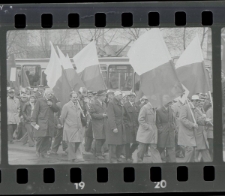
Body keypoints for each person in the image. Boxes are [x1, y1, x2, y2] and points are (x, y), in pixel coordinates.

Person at [179, 95, 211, 162]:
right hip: (186, 133)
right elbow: (182, 119)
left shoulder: (195, 109)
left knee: (192, 151)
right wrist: (192, 124)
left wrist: (205, 122)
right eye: (197, 101)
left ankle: (191, 166)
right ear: (192, 100)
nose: (198, 102)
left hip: (192, 133)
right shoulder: (185, 107)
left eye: (199, 101)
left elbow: (197, 120)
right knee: (190, 149)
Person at [31, 89, 59, 158]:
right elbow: (35, 111)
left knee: (48, 138)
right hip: (41, 123)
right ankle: (38, 151)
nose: (50, 95)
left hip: (50, 123)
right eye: (49, 94)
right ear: (45, 94)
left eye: (51, 94)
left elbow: (57, 109)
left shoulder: (53, 101)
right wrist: (33, 121)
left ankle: (44, 152)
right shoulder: (39, 101)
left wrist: (52, 104)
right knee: (40, 137)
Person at [60, 91, 84, 162]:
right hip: (70, 127)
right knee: (72, 143)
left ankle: (69, 152)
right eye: (73, 97)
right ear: (70, 98)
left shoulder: (78, 105)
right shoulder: (66, 106)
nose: (75, 98)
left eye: (76, 97)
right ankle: (72, 158)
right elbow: (62, 117)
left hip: (78, 127)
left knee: (78, 142)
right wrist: (64, 125)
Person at [156, 95, 176, 163]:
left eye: (168, 100)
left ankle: (172, 162)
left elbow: (173, 120)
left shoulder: (171, 109)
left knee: (171, 147)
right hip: (163, 132)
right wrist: (161, 130)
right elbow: (157, 122)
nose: (168, 101)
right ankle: (157, 160)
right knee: (161, 147)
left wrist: (173, 126)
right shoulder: (158, 110)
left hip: (170, 131)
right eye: (166, 99)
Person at [106, 90, 125, 163]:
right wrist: (113, 127)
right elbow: (111, 116)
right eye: (120, 95)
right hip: (115, 126)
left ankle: (117, 156)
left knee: (120, 142)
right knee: (113, 143)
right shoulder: (111, 103)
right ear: (117, 96)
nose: (122, 96)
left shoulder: (120, 103)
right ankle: (113, 158)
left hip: (121, 126)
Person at [89, 90, 108, 159]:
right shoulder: (93, 103)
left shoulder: (104, 104)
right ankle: (98, 154)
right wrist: (102, 115)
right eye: (104, 96)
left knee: (104, 138)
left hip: (104, 124)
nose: (105, 97)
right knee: (99, 139)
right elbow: (92, 114)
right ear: (99, 96)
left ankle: (95, 150)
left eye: (105, 96)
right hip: (97, 124)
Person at [123, 92, 140, 163]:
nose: (132, 98)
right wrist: (127, 124)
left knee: (137, 142)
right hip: (128, 126)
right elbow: (123, 116)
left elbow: (139, 116)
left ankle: (129, 153)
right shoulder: (125, 105)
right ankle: (127, 157)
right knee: (127, 142)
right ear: (128, 97)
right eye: (130, 97)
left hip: (136, 126)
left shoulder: (137, 106)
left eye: (133, 97)